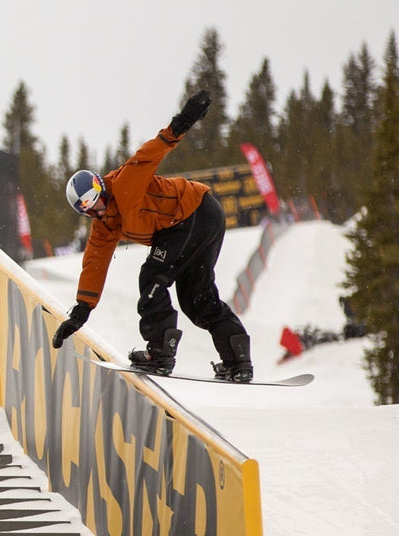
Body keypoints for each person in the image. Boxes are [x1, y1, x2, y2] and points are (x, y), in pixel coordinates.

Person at [50, 90, 253, 382]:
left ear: (101, 187)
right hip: (196, 220)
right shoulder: (104, 225)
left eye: (98, 201)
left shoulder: (124, 182)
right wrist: (81, 311)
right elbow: (94, 263)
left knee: (152, 279)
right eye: (90, 210)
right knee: (196, 299)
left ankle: (159, 353)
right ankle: (238, 359)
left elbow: (152, 151)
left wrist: (183, 121)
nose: (98, 210)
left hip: (192, 213)